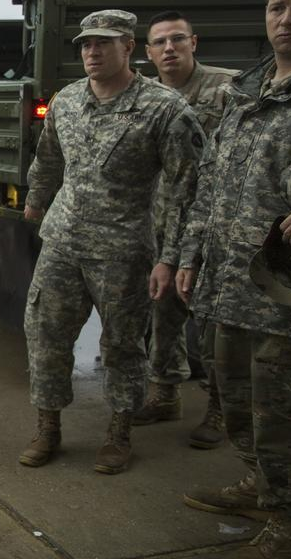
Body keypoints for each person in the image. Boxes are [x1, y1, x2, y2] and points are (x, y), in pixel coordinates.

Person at [17, 10, 204, 475]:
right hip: (63, 241)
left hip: (123, 250)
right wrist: (36, 203)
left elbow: (187, 189)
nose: (92, 52)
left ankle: (119, 432)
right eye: (85, 44)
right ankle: (48, 428)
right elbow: (48, 158)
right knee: (45, 335)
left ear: (129, 47)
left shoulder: (164, 109)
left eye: (103, 43)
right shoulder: (68, 100)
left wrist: (171, 258)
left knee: (123, 345)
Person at [176, 0, 291, 554]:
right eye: (277, 6)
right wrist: (191, 255)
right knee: (237, 403)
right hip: (229, 287)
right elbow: (210, 182)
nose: (285, 18)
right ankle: (264, 486)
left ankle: (287, 517)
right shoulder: (246, 94)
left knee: (281, 413)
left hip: (282, 296)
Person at [132, 10, 238, 451]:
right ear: (149, 52)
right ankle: (166, 393)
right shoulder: (145, 96)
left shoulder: (229, 89)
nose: (169, 48)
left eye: (178, 39)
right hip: (160, 223)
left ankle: (219, 408)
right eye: (160, 42)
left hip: (211, 225)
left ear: (194, 43)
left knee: (210, 320)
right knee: (162, 314)